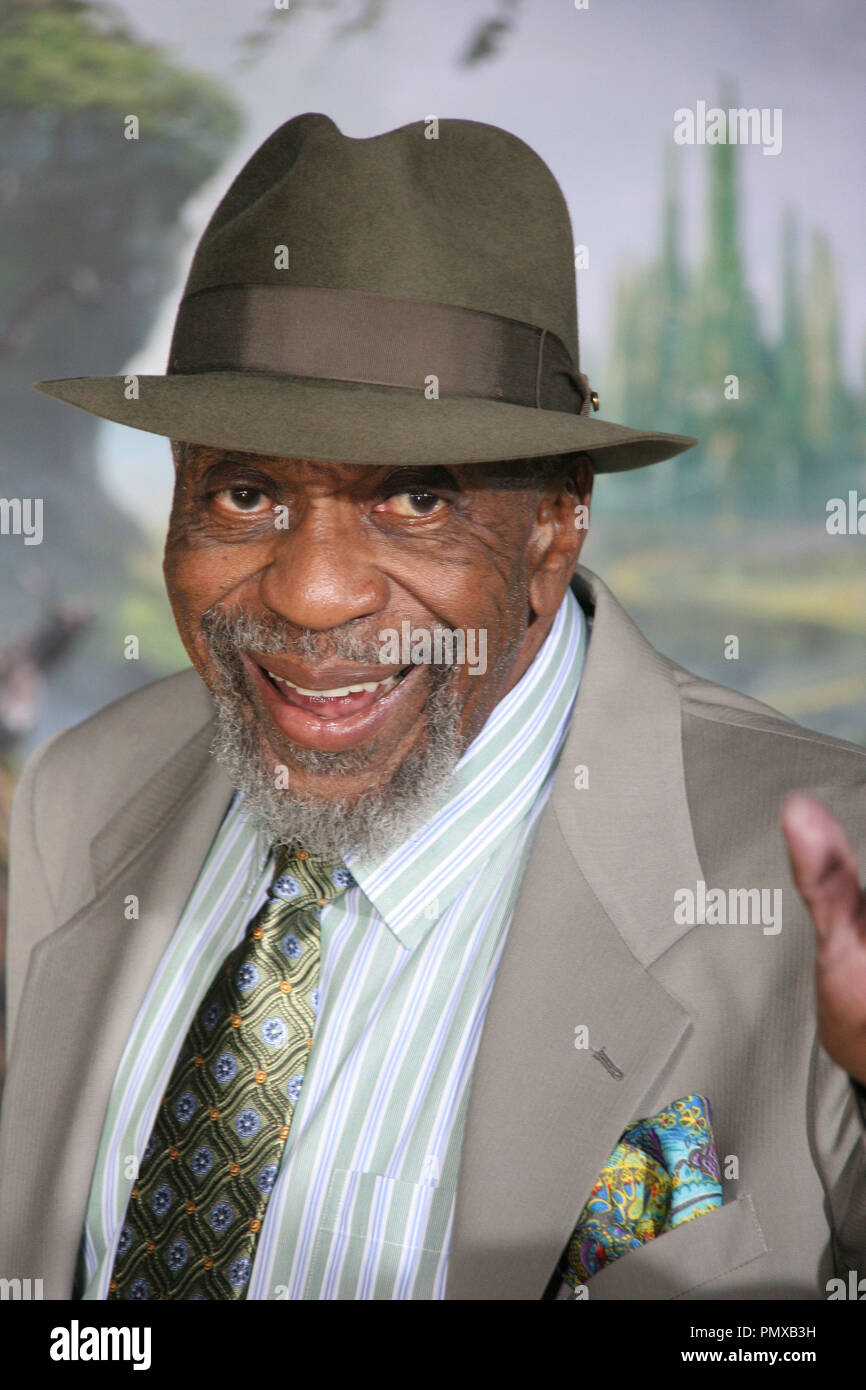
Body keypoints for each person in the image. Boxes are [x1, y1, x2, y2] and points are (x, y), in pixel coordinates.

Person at [1, 113, 864, 1302]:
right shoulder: (79, 791)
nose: (310, 596)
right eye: (245, 491)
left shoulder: (821, 871)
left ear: (557, 521)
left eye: (415, 497)